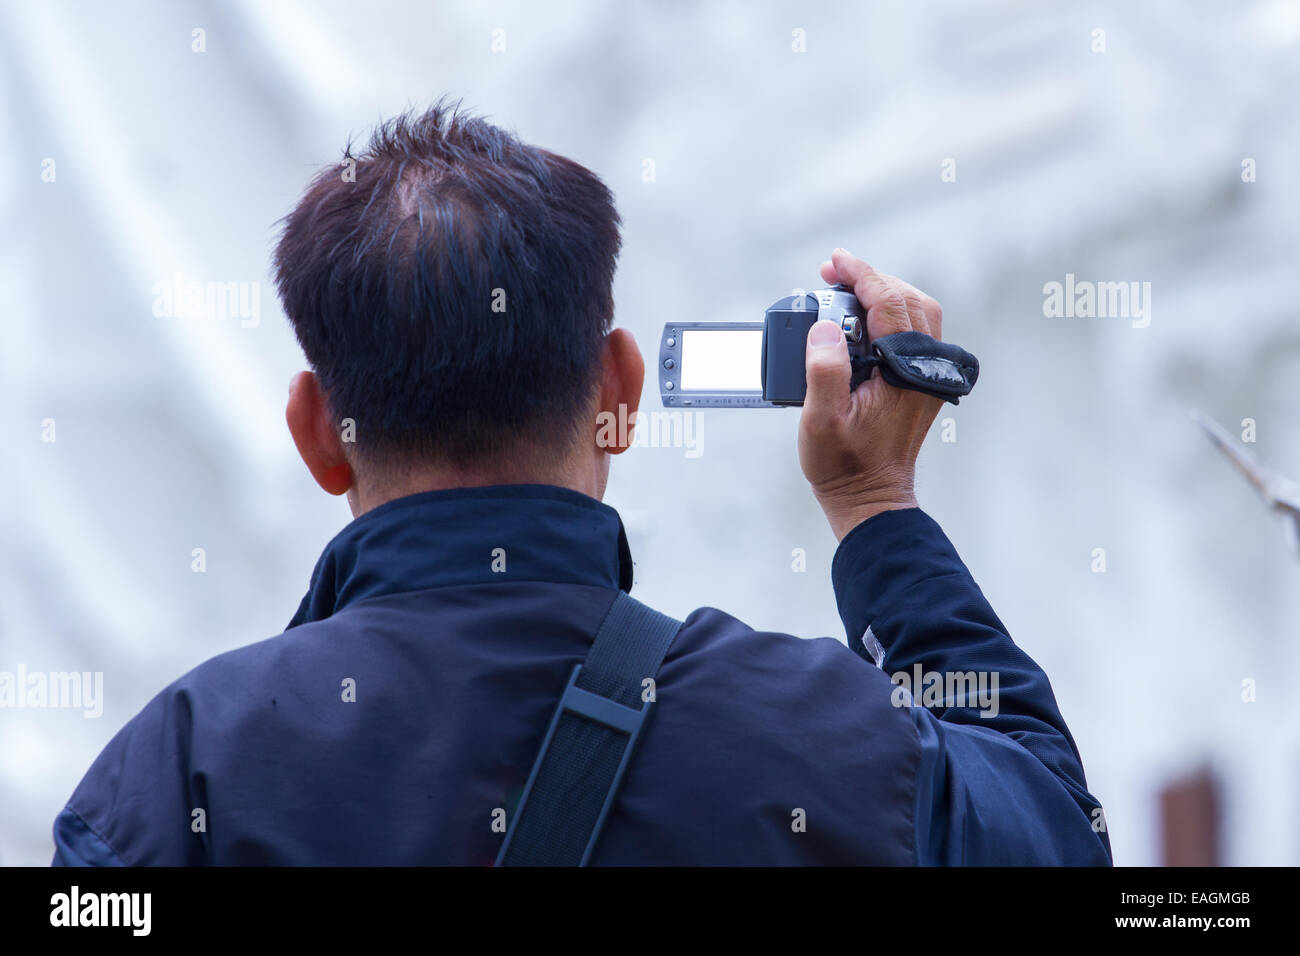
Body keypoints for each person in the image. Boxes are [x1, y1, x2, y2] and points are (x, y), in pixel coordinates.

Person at [52, 102, 1111, 865]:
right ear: (619, 390)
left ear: (317, 432)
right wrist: (876, 509)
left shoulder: (174, 777)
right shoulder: (830, 735)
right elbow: (1058, 834)